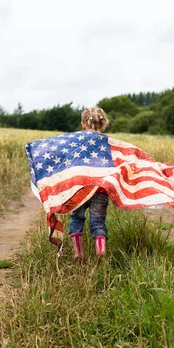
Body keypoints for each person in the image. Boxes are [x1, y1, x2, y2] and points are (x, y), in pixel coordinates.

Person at [69, 107, 110, 259]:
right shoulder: (109, 143)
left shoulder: (76, 143)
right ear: (104, 125)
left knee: (76, 218)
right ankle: (100, 250)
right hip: (100, 189)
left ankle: (78, 252)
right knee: (98, 221)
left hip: (79, 188)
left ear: (83, 124)